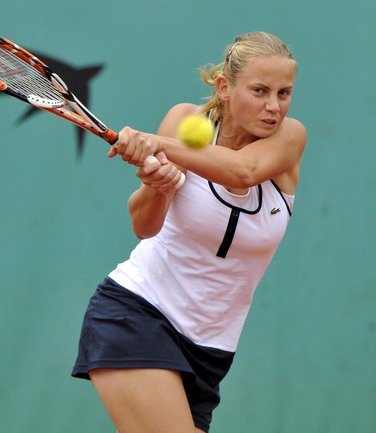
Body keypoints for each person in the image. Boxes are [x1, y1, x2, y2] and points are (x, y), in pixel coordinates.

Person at [71, 31, 306, 433]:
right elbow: (145, 226)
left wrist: (156, 144)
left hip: (210, 349)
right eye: (260, 90)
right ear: (224, 87)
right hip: (139, 313)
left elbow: (242, 171)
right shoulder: (185, 122)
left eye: (284, 93)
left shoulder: (288, 138)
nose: (274, 107)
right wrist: (157, 186)